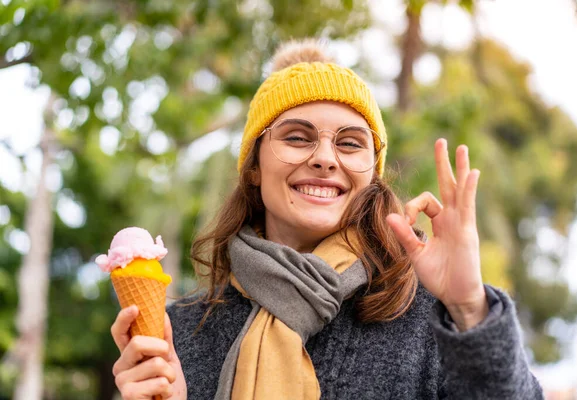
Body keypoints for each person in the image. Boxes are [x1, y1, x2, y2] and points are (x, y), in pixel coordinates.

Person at [110, 39, 545, 399]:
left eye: (351, 143)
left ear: (373, 174)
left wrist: (468, 306)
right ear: (254, 167)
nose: (323, 158)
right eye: (297, 137)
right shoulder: (181, 331)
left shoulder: (429, 319)